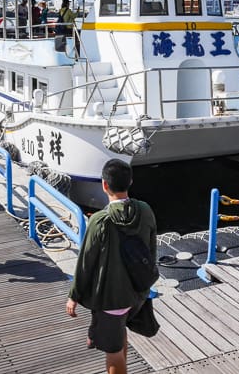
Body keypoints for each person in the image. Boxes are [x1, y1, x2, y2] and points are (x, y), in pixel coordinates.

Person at [66, 159, 157, 374]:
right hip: (137, 294)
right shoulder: (144, 210)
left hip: (111, 299)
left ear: (104, 185)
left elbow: (85, 263)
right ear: (130, 182)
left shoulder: (99, 221)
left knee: (113, 353)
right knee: (119, 336)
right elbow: (151, 248)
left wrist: (74, 296)